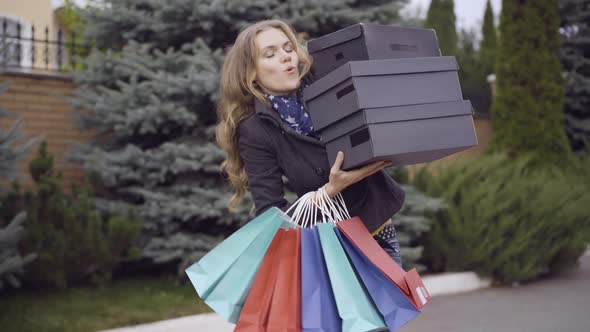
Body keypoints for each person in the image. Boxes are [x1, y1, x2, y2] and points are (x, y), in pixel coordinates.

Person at [215, 19, 405, 268]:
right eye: (270, 54)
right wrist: (329, 192)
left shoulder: (326, 84)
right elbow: (271, 216)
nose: (286, 57)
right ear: (251, 74)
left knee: (394, 307)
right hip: (330, 247)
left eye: (288, 48)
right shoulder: (256, 129)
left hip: (378, 229)